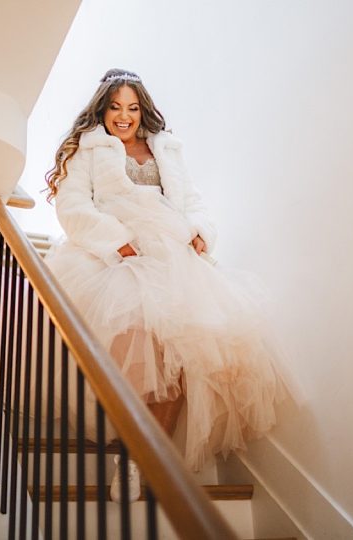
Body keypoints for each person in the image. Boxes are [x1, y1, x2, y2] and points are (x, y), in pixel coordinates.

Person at [44, 68, 287, 501]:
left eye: (132, 108)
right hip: (119, 254)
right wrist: (118, 244)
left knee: (180, 363)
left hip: (174, 255)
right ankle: (130, 453)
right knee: (137, 359)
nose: (124, 116)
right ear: (102, 110)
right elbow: (73, 206)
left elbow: (192, 201)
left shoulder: (167, 148)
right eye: (115, 107)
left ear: (143, 111)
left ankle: (145, 462)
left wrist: (200, 231)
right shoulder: (88, 148)